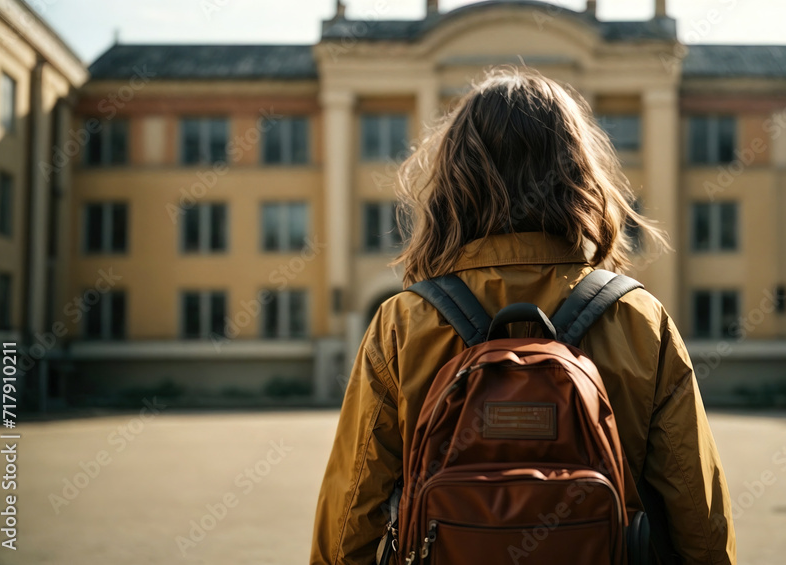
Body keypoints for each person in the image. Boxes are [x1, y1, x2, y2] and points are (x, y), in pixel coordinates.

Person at [310, 67, 736, 565]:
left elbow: (349, 521)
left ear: (455, 180)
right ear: (578, 173)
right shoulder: (638, 318)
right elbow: (698, 517)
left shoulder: (403, 324)